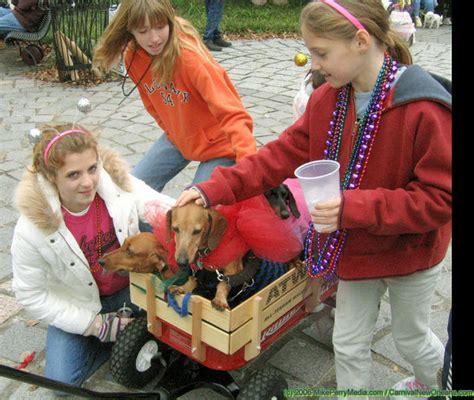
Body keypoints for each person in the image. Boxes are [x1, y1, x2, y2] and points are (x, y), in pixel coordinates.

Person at [176, 0, 452, 397]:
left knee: (410, 338)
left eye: (321, 53)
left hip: (412, 253)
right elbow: (277, 157)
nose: (314, 64)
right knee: (348, 343)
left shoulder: (423, 109)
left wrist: (353, 208)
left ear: (360, 41)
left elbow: (439, 199)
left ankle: (436, 383)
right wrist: (210, 189)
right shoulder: (328, 100)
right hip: (357, 249)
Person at [11, 122, 174, 388]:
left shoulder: (117, 184)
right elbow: (30, 294)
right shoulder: (32, 228)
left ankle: (131, 328)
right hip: (81, 303)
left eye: (92, 168)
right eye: (73, 175)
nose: (88, 183)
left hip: (130, 289)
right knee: (62, 382)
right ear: (52, 177)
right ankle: (120, 334)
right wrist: (94, 326)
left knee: (178, 324)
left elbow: (160, 208)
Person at [93, 0, 255, 195]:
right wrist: (174, 130)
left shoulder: (190, 59)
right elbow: (151, 103)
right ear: (130, 31)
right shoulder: (132, 56)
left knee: (196, 206)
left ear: (169, 21)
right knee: (132, 192)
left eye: (160, 27)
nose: (154, 38)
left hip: (221, 143)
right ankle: (153, 226)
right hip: (179, 137)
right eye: (143, 31)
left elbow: (234, 114)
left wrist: (250, 166)